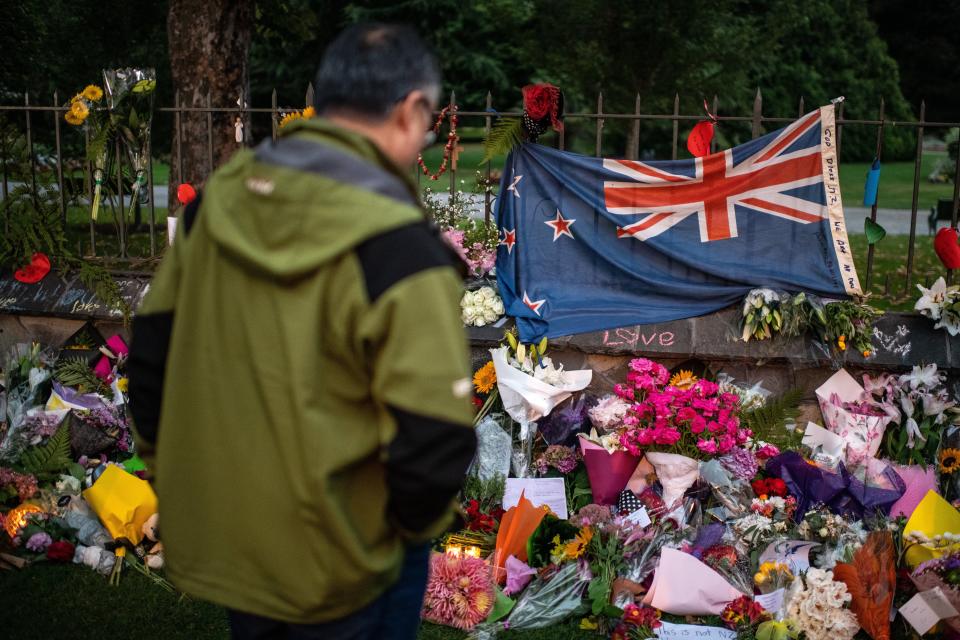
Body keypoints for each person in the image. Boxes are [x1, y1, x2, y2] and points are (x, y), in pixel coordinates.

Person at [128, 23, 478, 640]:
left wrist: (171, 473)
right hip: (353, 562)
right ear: (411, 111)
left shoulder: (215, 205)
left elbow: (152, 353)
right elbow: (434, 438)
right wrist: (397, 533)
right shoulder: (399, 248)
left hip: (240, 541)